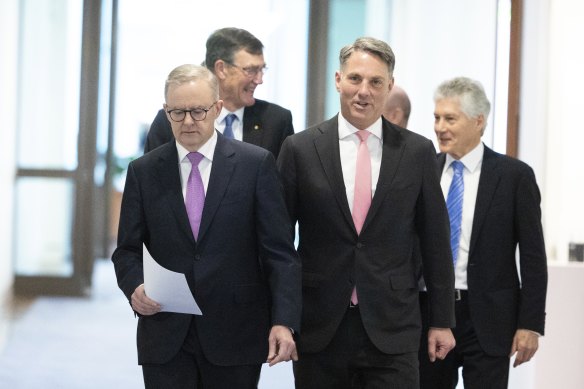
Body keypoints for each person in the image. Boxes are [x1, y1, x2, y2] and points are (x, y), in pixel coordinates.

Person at [277, 37, 456, 389]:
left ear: (389, 86)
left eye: (376, 82)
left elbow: (436, 241)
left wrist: (442, 319)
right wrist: (280, 318)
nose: (364, 91)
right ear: (338, 80)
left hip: (394, 329)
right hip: (319, 327)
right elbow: (279, 244)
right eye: (356, 79)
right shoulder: (299, 149)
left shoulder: (417, 152)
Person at [112, 64, 301, 388]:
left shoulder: (254, 165)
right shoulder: (144, 172)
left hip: (235, 332)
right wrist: (135, 287)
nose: (187, 121)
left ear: (217, 108)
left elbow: (279, 252)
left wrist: (283, 320)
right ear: (165, 112)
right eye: (177, 112)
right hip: (166, 332)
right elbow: (126, 250)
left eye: (198, 111)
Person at [419, 76, 548, 389]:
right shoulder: (424, 170)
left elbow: (532, 256)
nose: (440, 127)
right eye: (436, 118)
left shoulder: (514, 176)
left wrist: (530, 324)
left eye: (450, 118)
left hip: (489, 319)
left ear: (479, 121)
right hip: (431, 312)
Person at [143, 27, 294, 159]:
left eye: (261, 70)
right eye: (251, 70)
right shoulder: (170, 121)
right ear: (221, 69)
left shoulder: (276, 121)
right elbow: (151, 179)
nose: (259, 80)